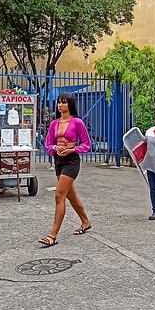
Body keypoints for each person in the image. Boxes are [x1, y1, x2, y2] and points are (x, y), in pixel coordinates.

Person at [38, 93, 92, 247]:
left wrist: (72, 150)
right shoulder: (54, 123)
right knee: (71, 196)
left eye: (63, 102)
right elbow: (48, 143)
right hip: (59, 160)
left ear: (70, 104)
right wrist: (56, 147)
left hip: (71, 161)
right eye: (59, 103)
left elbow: (86, 145)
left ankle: (52, 235)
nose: (60, 105)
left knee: (59, 195)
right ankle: (85, 222)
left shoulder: (77, 122)